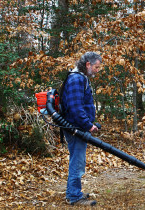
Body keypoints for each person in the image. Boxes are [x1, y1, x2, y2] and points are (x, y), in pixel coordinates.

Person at [60, 52, 102, 206]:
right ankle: (73, 196)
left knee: (76, 160)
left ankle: (74, 191)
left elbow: (80, 106)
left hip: (77, 126)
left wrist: (90, 123)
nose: (97, 70)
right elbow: (75, 108)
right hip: (75, 128)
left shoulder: (80, 78)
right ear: (88, 65)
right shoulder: (77, 79)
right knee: (77, 162)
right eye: (96, 67)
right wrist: (88, 125)